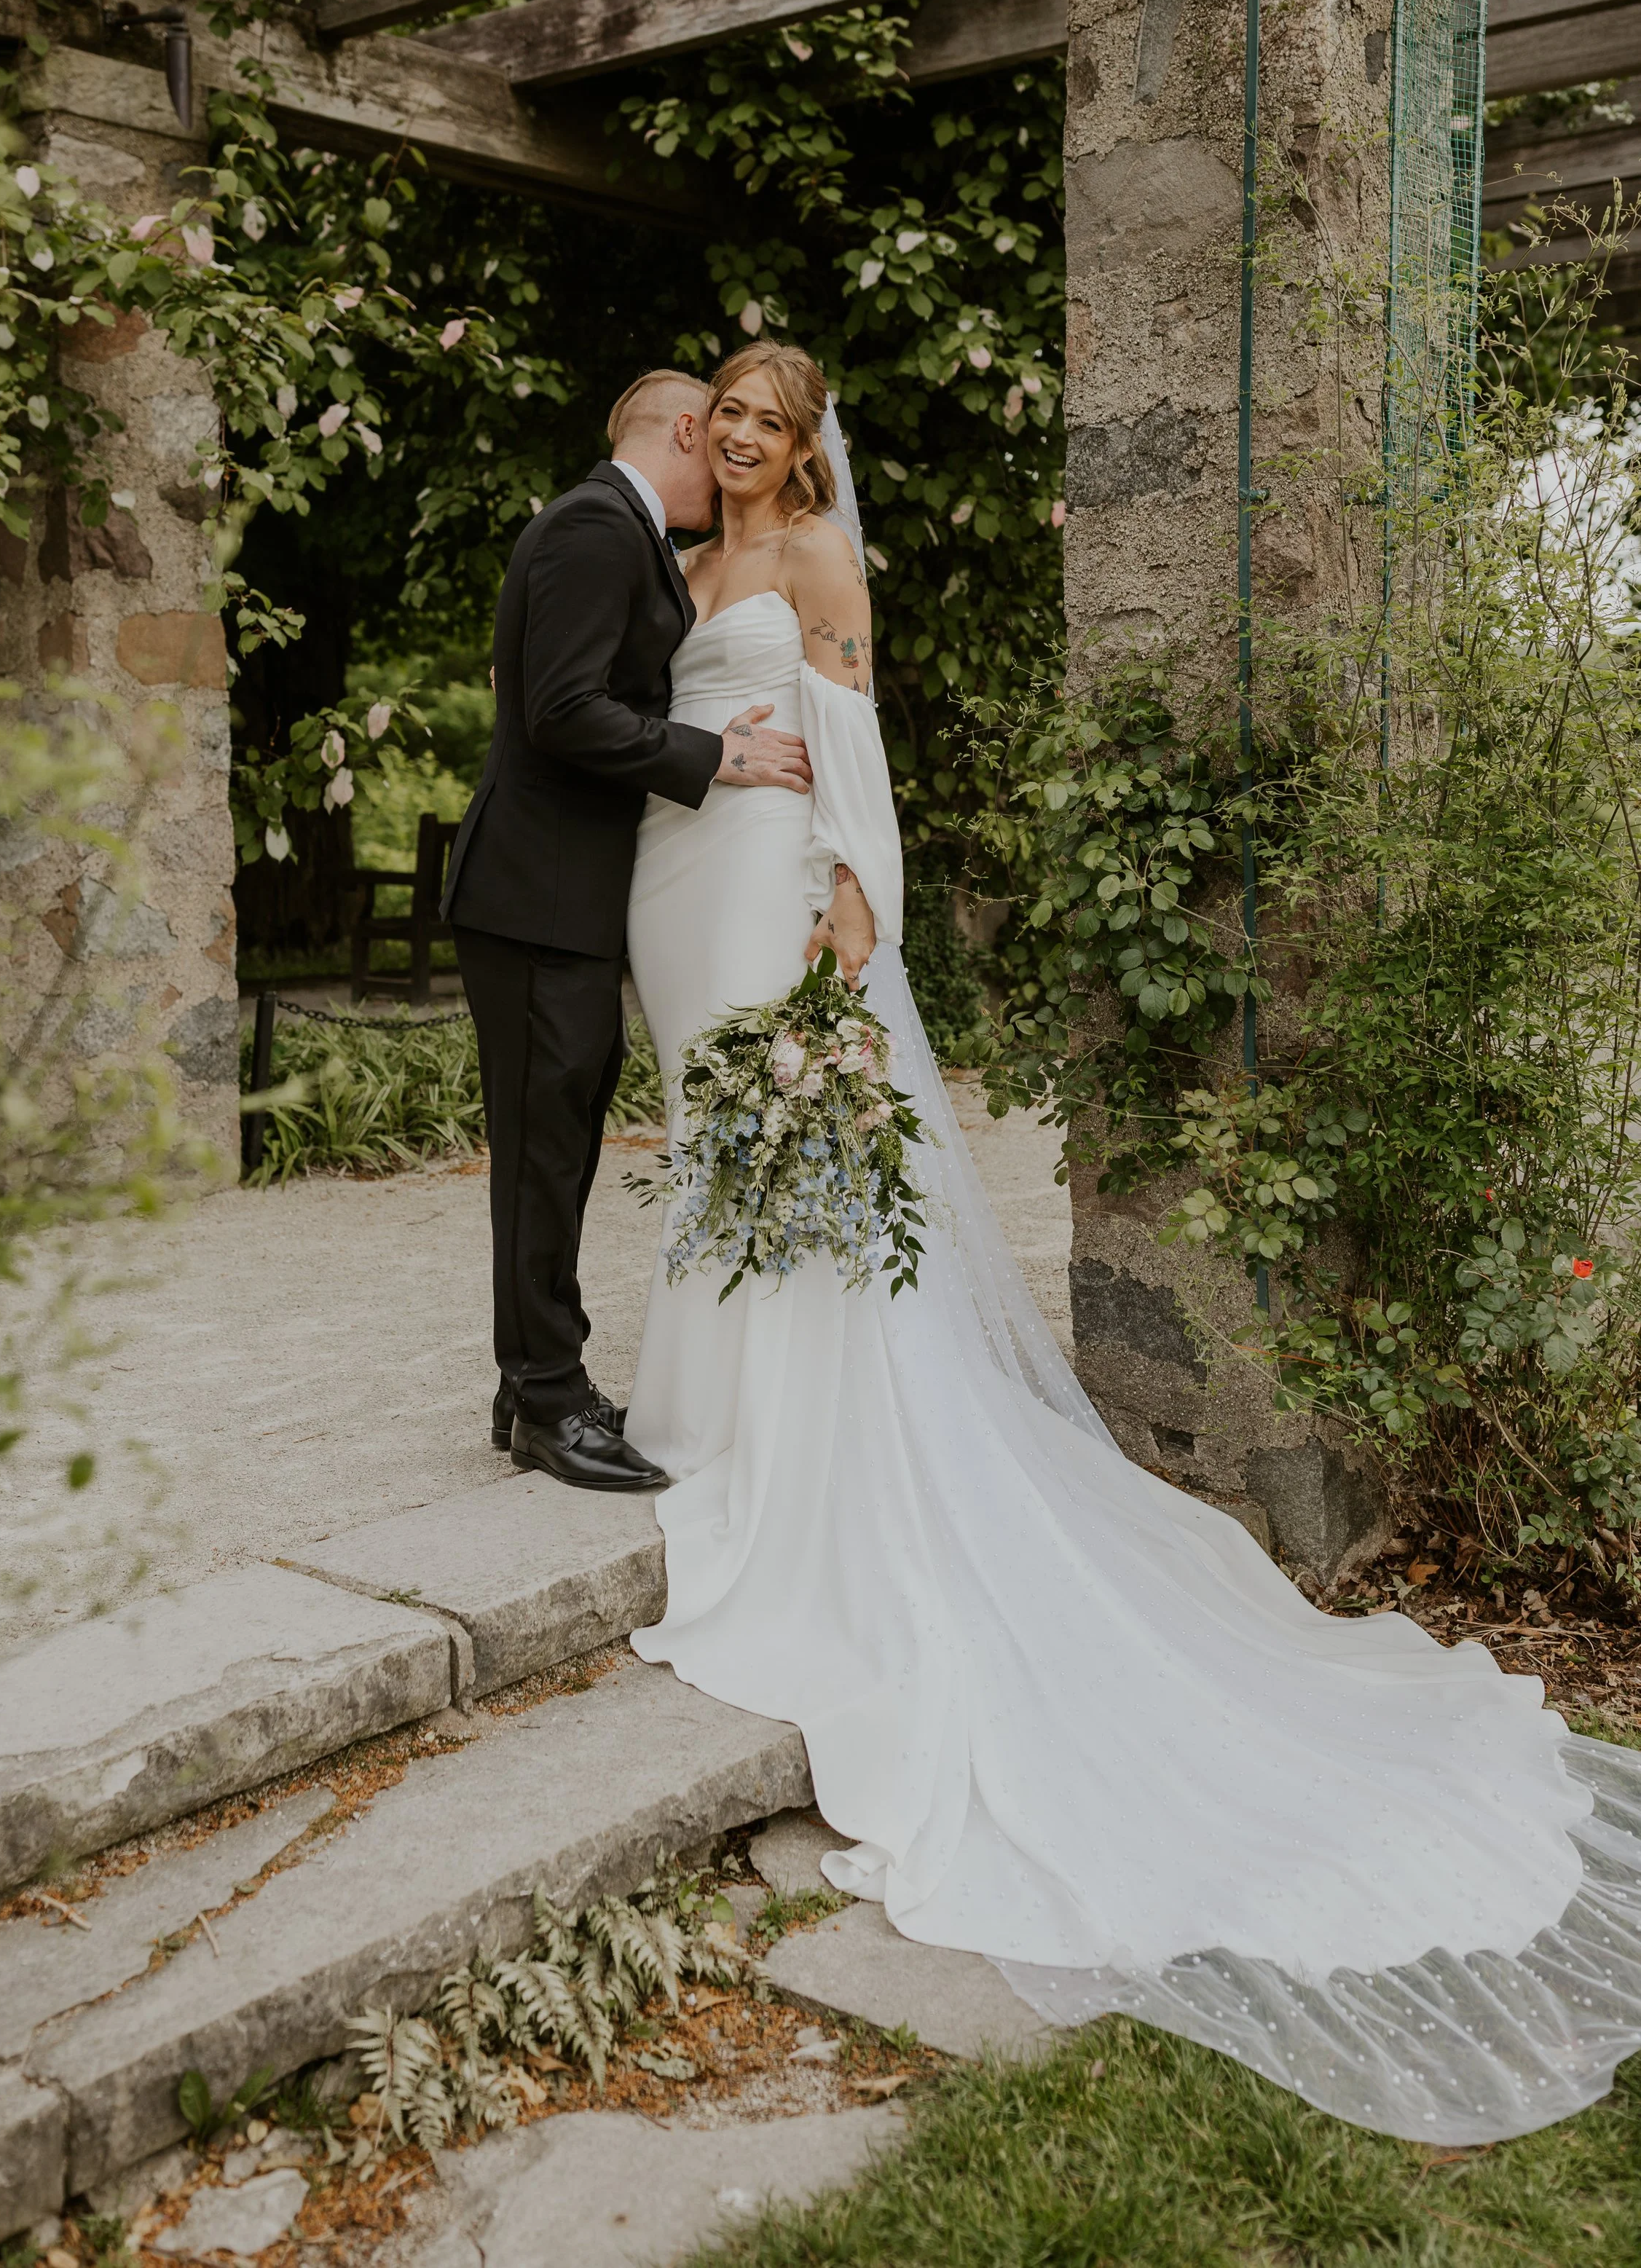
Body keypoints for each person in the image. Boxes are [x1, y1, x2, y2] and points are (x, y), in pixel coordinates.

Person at [621, 336, 1641, 2143]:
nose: (747, 442)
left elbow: (856, 761)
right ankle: (698, 1412)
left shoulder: (820, 562)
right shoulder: (682, 559)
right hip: (676, 882)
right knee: (721, 1158)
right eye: (729, 420)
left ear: (807, 444)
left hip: (780, 889)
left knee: (805, 1179)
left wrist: (854, 912)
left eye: (773, 423)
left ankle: (796, 1444)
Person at [441, 368, 813, 1492]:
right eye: (726, 436)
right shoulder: (598, 526)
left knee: (551, 1151)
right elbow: (559, 709)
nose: (737, 464)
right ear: (686, 432)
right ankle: (549, 1402)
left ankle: (533, 1380)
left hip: (563, 901)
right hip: (532, 898)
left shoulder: (615, 532)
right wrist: (716, 754)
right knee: (542, 1154)